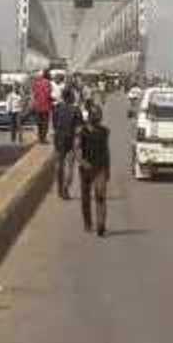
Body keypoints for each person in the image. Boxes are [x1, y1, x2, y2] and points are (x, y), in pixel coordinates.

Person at [78, 103, 111, 236]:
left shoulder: (105, 131)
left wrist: (108, 168)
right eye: (96, 115)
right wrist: (82, 161)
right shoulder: (82, 132)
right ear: (90, 117)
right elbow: (77, 149)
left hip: (100, 167)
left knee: (100, 196)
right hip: (86, 168)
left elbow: (106, 150)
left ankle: (101, 224)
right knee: (86, 197)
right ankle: (87, 222)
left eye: (99, 115)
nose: (98, 117)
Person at [52, 88, 80, 199]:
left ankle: (59, 188)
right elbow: (78, 129)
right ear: (71, 97)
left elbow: (54, 125)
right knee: (70, 166)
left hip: (59, 138)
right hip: (70, 139)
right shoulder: (76, 110)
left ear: (63, 97)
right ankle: (65, 188)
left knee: (59, 164)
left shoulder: (57, 109)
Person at [31, 69, 53, 144]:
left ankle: (40, 138)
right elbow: (48, 94)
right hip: (45, 106)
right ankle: (43, 138)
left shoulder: (35, 83)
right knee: (45, 123)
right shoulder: (47, 83)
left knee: (39, 123)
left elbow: (34, 94)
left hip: (37, 106)